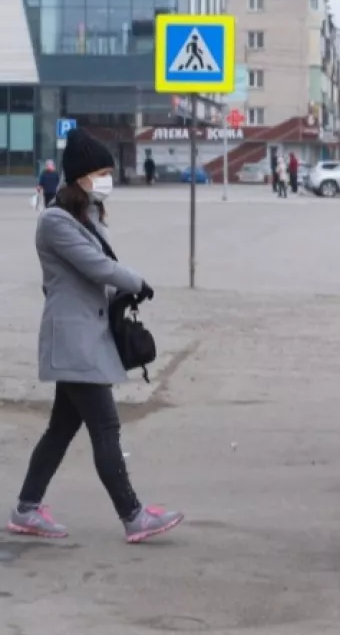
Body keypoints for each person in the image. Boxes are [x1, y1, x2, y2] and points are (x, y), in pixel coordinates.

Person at [9, 128, 185, 544]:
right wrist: (137, 281)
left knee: (60, 429)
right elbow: (97, 266)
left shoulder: (84, 215)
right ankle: (134, 516)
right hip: (75, 341)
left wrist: (124, 291)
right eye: (102, 172)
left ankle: (26, 508)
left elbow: (100, 267)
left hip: (85, 337)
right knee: (105, 427)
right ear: (83, 175)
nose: (108, 179)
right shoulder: (55, 220)